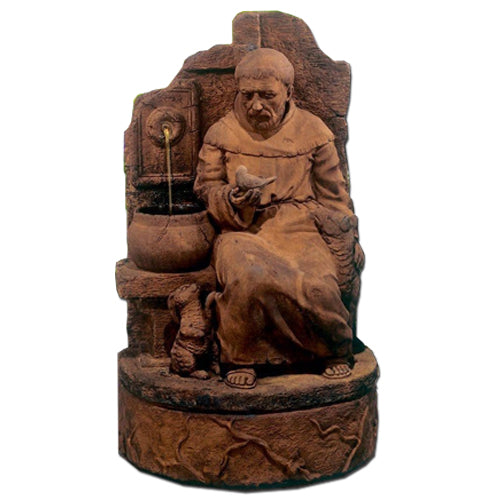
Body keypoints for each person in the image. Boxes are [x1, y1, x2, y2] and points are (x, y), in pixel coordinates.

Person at [194, 48, 363, 389]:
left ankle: (330, 351)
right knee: (249, 279)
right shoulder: (222, 133)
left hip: (301, 227)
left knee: (317, 284)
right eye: (248, 95)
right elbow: (206, 188)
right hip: (243, 230)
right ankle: (242, 357)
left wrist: (347, 237)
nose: (256, 106)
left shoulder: (313, 131)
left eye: (267, 95)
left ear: (288, 92)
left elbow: (334, 197)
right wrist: (230, 199)